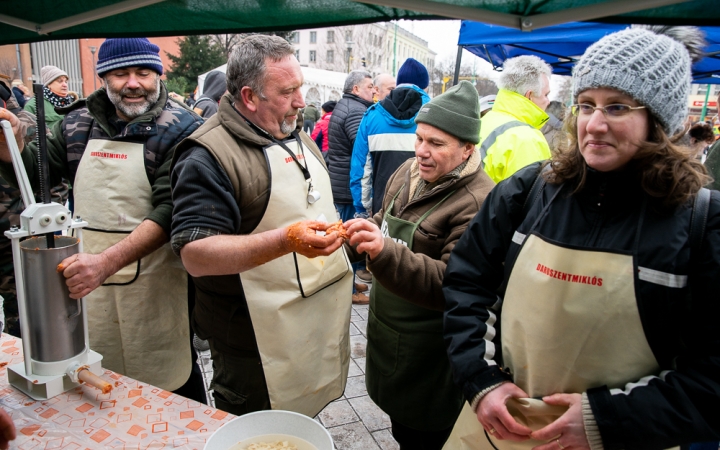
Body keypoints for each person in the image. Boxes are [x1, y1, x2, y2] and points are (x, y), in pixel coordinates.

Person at [443, 26, 720, 450]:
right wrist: (480, 380)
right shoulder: (529, 190)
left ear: (657, 121)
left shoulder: (700, 222)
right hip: (503, 431)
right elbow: (466, 281)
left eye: (617, 107)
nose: (594, 124)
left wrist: (604, 420)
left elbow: (711, 379)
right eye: (586, 104)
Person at [0, 38, 206, 402]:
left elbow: (169, 209)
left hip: (155, 284)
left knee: (169, 384)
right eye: (121, 73)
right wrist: (12, 146)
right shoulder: (77, 122)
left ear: (157, 75)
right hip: (89, 281)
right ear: (103, 77)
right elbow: (39, 172)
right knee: (101, 376)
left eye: (143, 72)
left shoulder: (182, 128)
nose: (133, 83)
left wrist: (106, 262)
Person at [170, 34, 352, 417]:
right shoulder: (206, 156)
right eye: (288, 92)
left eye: (299, 87)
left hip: (307, 324)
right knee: (259, 431)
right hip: (250, 343)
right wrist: (286, 239)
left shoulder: (295, 134)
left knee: (300, 422)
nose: (301, 102)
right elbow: (196, 255)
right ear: (250, 97)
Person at [344, 80, 494, 450]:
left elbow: (451, 284)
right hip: (389, 335)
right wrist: (357, 236)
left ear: (466, 149)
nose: (422, 152)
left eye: (436, 144)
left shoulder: (478, 201)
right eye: (420, 138)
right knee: (400, 429)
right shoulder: (407, 173)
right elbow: (382, 220)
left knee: (424, 438)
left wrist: (382, 251)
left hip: (429, 353)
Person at [349, 57, 431, 218]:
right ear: (425, 87)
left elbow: (361, 169)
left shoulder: (371, 117)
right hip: (423, 212)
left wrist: (363, 208)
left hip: (381, 210)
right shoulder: (435, 114)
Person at [328, 69, 374, 302]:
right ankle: (349, 289)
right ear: (355, 89)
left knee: (348, 232)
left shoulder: (345, 105)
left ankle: (352, 280)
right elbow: (362, 149)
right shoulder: (356, 110)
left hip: (340, 181)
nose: (374, 90)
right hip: (348, 184)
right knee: (351, 236)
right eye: (369, 86)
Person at [480, 55, 552, 183]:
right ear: (529, 95)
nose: (548, 101)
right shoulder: (528, 139)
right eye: (546, 95)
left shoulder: (484, 120)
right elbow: (531, 198)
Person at [24, 65, 79, 130]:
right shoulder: (34, 105)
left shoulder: (74, 102)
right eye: (60, 81)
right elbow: (29, 133)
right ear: (49, 84)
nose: (65, 85)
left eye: (66, 81)